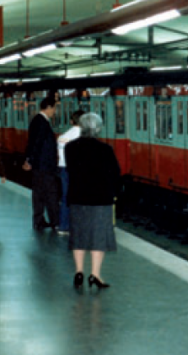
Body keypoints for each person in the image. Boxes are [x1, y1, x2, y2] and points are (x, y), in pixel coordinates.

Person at [65, 113, 120, 290]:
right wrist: (114, 193)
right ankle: (95, 275)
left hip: (77, 197)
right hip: (100, 199)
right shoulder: (106, 149)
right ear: (98, 129)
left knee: (79, 235)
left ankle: (79, 271)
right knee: (98, 237)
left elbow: (72, 170)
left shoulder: (70, 148)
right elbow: (115, 174)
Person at [23, 96, 59, 231]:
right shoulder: (41, 122)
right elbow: (36, 144)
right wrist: (30, 160)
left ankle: (39, 220)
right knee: (50, 192)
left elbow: (32, 143)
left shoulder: (37, 121)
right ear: (49, 107)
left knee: (39, 193)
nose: (55, 111)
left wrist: (29, 160)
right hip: (44, 165)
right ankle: (55, 220)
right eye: (54, 108)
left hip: (39, 165)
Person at [56, 110, 85, 236]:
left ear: (71, 121)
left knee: (65, 197)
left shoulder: (64, 136)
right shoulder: (81, 136)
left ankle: (63, 226)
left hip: (63, 168)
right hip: (76, 170)